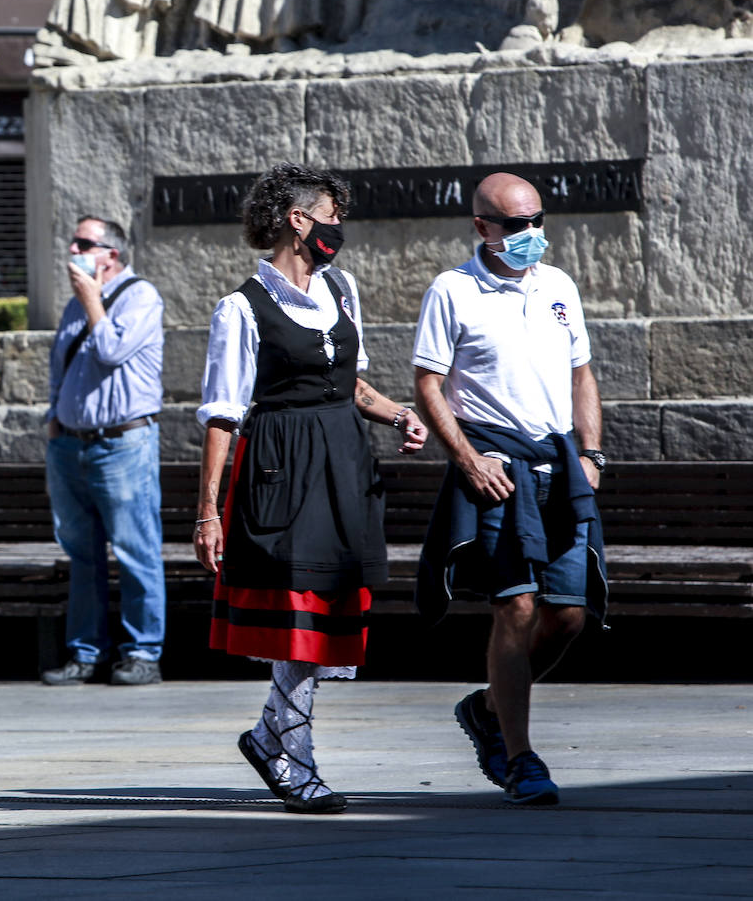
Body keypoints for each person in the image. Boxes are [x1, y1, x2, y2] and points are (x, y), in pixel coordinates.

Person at [194, 163, 426, 813]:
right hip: (281, 467)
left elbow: (350, 381)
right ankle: (293, 755)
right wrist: (207, 512)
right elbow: (221, 413)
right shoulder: (241, 308)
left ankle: (273, 736)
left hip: (342, 463)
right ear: (298, 220)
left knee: (325, 610)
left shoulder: (339, 289)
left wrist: (399, 413)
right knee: (298, 615)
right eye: (329, 216)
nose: (336, 229)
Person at [412, 171, 607, 806]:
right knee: (515, 608)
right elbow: (427, 385)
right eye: (515, 225)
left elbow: (581, 371)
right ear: (482, 227)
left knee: (570, 615)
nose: (530, 235)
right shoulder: (453, 290)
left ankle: (489, 706)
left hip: (559, 467)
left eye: (536, 221)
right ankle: (522, 759)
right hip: (498, 470)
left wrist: (591, 452)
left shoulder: (558, 286)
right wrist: (468, 461)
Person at [40, 216, 167, 687]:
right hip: (70, 446)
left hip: (122, 445)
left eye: (83, 243)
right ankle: (85, 652)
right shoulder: (76, 305)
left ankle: (142, 652)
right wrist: (54, 418)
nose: (71, 247)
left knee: (136, 551)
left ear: (110, 255)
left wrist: (92, 300)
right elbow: (61, 364)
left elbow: (112, 350)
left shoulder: (141, 297)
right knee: (82, 554)